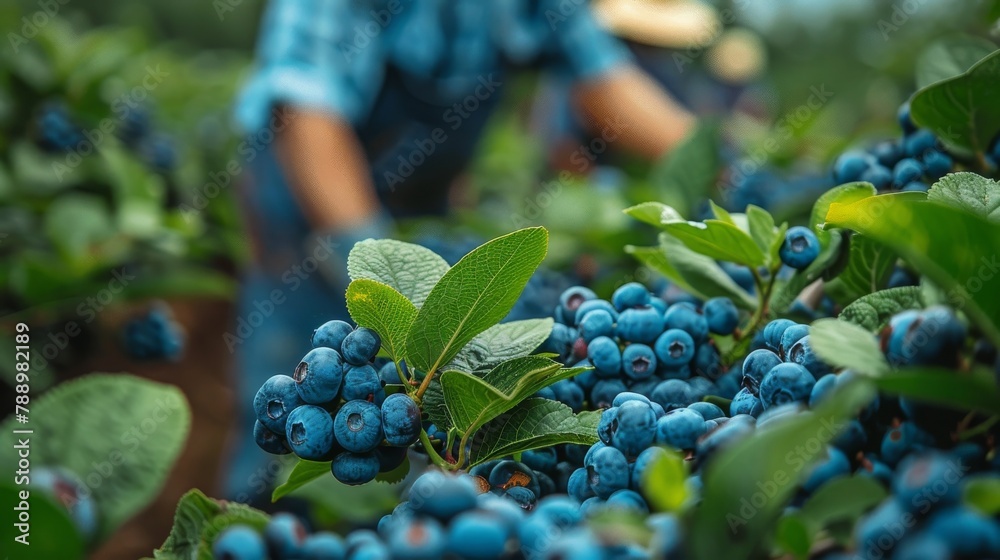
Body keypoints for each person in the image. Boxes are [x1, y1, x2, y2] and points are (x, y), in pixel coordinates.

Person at [224, 0, 696, 501]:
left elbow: (606, 78)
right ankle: (253, 523)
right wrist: (369, 265)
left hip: (416, 205)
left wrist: (720, 156)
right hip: (305, 203)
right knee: (301, 396)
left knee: (406, 414)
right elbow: (308, 113)